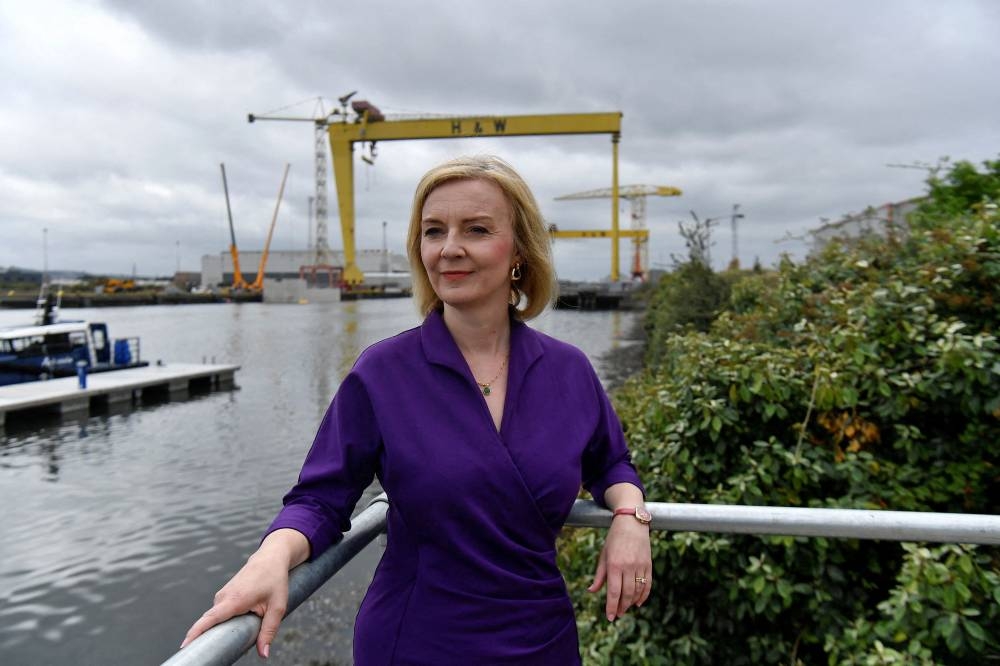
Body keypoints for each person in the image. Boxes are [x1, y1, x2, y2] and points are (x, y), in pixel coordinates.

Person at [181, 155, 652, 664]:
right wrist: (270, 556)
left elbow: (611, 463)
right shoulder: (383, 373)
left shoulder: (568, 372)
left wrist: (630, 515)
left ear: (519, 250)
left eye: (475, 229)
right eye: (433, 231)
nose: (449, 248)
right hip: (418, 640)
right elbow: (321, 497)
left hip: (543, 639)